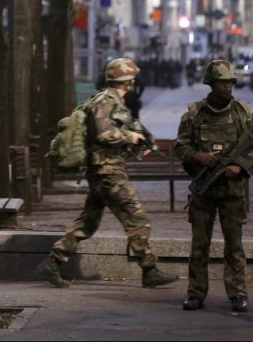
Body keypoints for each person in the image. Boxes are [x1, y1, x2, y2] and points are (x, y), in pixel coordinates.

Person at [35, 58, 178, 289]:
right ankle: (149, 269)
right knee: (136, 217)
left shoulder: (108, 100)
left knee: (88, 222)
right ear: (128, 79)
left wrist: (135, 140)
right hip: (107, 171)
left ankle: (52, 263)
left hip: (104, 169)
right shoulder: (105, 101)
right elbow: (104, 134)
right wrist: (129, 137)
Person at [175, 59, 253, 312]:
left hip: (232, 191)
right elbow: (180, 146)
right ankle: (195, 294)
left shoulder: (242, 113)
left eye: (230, 82)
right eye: (222, 82)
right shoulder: (194, 114)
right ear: (211, 84)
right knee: (199, 246)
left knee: (234, 246)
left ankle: (237, 294)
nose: (227, 86)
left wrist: (239, 167)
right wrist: (198, 157)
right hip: (204, 190)